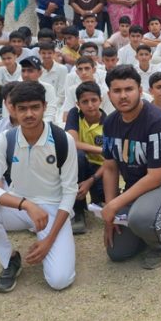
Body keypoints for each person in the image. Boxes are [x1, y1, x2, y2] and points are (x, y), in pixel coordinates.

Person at [0, 81, 77, 293]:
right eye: (22, 108)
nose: (29, 114)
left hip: (53, 210)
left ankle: (53, 239)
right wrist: (26, 204)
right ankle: (10, 259)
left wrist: (49, 240)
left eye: (35, 107)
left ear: (44, 107)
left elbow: (69, 192)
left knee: (59, 281)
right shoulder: (5, 139)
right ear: (13, 109)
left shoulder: (62, 140)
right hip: (19, 207)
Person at [100, 65, 161, 269]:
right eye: (117, 91)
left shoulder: (156, 121)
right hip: (136, 185)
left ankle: (159, 243)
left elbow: (155, 177)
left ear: (140, 91)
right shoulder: (110, 123)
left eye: (129, 89)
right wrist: (109, 208)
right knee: (117, 252)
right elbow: (110, 168)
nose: (123, 96)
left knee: (141, 219)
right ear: (109, 94)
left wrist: (114, 206)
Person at [65, 81, 107, 234]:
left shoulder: (108, 122)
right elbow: (72, 143)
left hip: (101, 169)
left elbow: (110, 161)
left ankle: (96, 199)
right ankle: (78, 211)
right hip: (80, 164)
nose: (90, 105)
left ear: (100, 100)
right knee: (77, 156)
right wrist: (100, 149)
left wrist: (92, 180)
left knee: (106, 203)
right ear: (78, 104)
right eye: (85, 101)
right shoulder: (74, 115)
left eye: (94, 100)